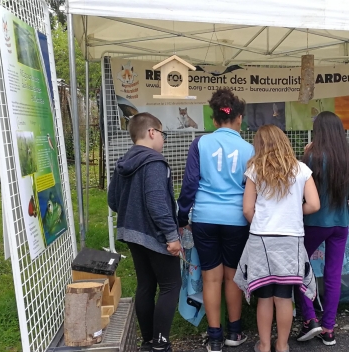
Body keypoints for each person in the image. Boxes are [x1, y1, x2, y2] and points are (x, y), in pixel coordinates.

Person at [177, 88, 254, 352]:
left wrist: (181, 214)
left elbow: (189, 185)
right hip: (237, 219)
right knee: (233, 277)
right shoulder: (249, 148)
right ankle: (235, 332)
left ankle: (214, 338)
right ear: (239, 118)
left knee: (211, 277)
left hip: (204, 219)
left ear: (213, 119)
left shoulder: (200, 143)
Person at [233, 125, 320, 352]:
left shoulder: (255, 170)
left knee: (264, 296)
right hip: (291, 239)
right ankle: (282, 345)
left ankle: (263, 345)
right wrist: (291, 213)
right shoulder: (301, 169)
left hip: (261, 238)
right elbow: (314, 204)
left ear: (259, 145)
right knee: (284, 296)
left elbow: (247, 210)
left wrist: (263, 221)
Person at [108, 112, 182, 352]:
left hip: (130, 233)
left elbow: (113, 200)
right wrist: (171, 237)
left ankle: (148, 342)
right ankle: (161, 344)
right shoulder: (154, 162)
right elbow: (157, 203)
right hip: (155, 235)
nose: (163, 139)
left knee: (146, 285)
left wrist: (132, 215)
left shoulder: (123, 161)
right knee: (171, 285)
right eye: (162, 133)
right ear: (152, 132)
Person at [296, 111, 349, 346]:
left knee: (298, 267)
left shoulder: (311, 156)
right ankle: (329, 329)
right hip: (340, 222)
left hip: (314, 222)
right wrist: (341, 189)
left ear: (318, 131)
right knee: (333, 275)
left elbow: (299, 190)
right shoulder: (347, 157)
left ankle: (309, 319)